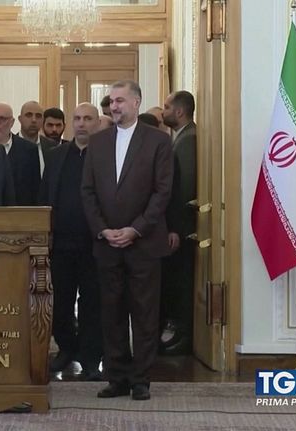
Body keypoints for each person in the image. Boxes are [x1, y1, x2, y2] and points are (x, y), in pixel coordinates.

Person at [81, 80, 173, 401]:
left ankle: (140, 379)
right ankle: (116, 376)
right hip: (106, 244)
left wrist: (136, 229)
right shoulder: (98, 142)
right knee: (111, 313)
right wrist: (103, 230)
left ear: (136, 102)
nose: (114, 106)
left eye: (120, 100)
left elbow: (162, 192)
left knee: (144, 314)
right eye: (111, 101)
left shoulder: (159, 141)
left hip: (144, 243)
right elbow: (87, 191)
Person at [40, 102, 103, 381]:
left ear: (97, 123)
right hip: (61, 243)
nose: (81, 123)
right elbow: (45, 195)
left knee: (92, 303)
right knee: (60, 302)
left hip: (95, 243)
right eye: (77, 118)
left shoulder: (106, 155)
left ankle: (91, 358)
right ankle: (66, 348)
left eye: (87, 118)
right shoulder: (56, 156)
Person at [159, 90, 197, 354]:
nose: (163, 112)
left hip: (183, 227)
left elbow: (183, 188)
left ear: (179, 111)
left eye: (167, 107)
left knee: (181, 283)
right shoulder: (180, 137)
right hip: (179, 226)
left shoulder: (188, 140)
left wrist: (174, 225)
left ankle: (184, 335)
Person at [0, 103, 40, 206]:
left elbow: (35, 190)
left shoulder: (29, 149)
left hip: (19, 212)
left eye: (2, 119)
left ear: (12, 122)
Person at [18, 100, 58, 176]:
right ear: (20, 119)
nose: (34, 120)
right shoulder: (10, 145)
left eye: (38, 116)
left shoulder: (53, 147)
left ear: (43, 120)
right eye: (29, 115)